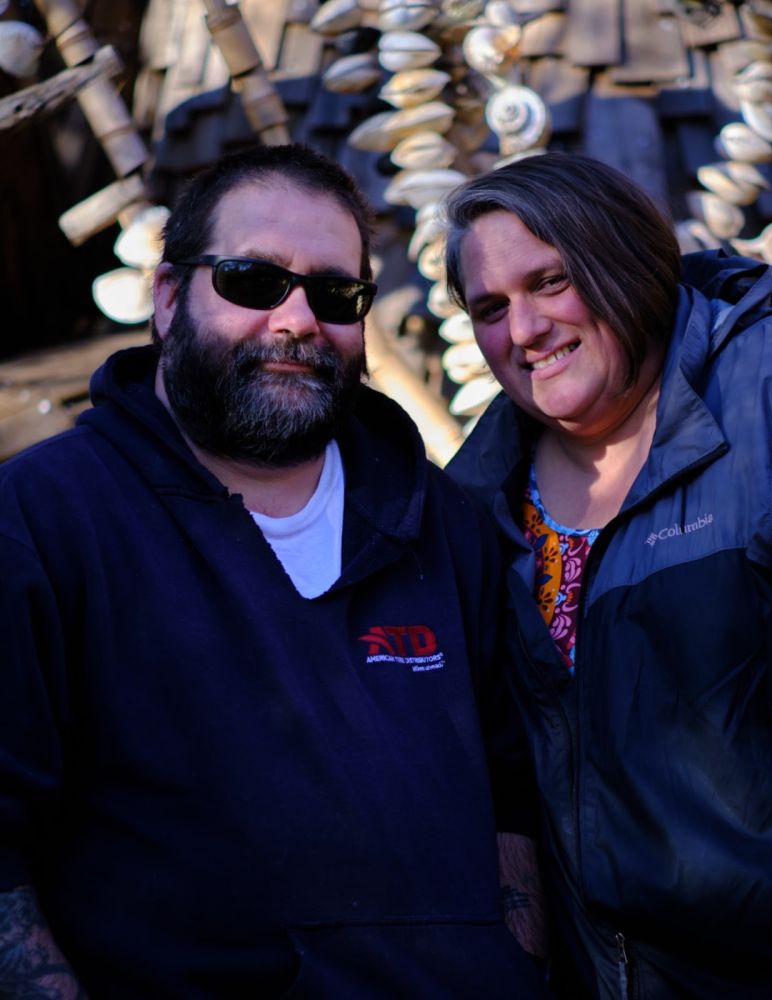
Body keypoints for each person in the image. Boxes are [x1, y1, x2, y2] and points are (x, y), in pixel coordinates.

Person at [0, 143, 549, 998]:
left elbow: (511, 796)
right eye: (253, 281)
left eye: (335, 294)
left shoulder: (447, 526)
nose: (296, 320)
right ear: (168, 297)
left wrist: (518, 967)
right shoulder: (43, 518)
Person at [444, 150, 772, 999]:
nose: (524, 330)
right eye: (490, 308)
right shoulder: (473, 502)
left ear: (625, 261)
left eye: (551, 281)